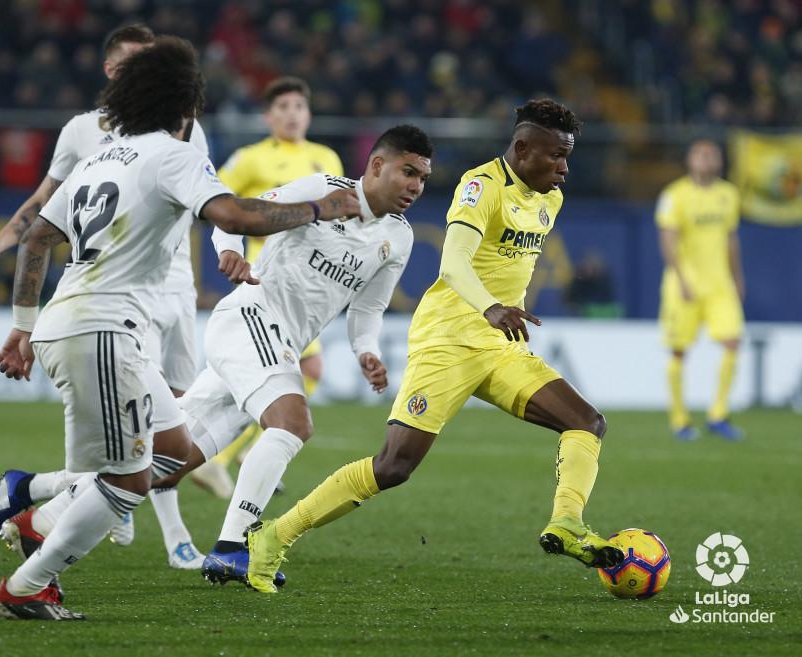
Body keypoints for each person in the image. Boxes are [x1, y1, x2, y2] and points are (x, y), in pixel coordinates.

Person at [0, 36, 359, 620]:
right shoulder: (174, 154)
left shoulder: (99, 157)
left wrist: (20, 327)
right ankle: (28, 584)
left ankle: (37, 512)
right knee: (127, 481)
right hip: (104, 330)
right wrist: (320, 209)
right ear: (186, 106)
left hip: (77, 323)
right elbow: (234, 214)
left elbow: (37, 237)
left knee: (176, 449)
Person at [244, 99, 626, 594]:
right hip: (446, 340)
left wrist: (496, 317)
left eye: (568, 156)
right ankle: (272, 536)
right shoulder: (481, 186)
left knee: (586, 421)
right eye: (556, 156)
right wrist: (490, 306)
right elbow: (453, 262)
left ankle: (567, 523)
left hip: (499, 346)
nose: (564, 168)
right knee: (393, 467)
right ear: (522, 147)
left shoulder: (549, 199)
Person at [146, 125, 432, 587]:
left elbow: (368, 308)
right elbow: (237, 212)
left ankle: (39, 497)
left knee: (162, 463)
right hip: (250, 317)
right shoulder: (323, 190)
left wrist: (366, 351)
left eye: (423, 177)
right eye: (409, 172)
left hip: (275, 345)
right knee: (293, 423)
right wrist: (230, 252)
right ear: (377, 165)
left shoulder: (398, 237)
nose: (417, 186)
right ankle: (231, 548)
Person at [0, 25, 205, 568]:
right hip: (104, 300)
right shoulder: (82, 134)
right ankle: (137, 536)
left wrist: (226, 247)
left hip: (168, 289)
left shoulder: (182, 132)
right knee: (136, 451)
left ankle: (35, 493)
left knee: (170, 441)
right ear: (110, 71)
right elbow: (45, 205)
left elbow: (206, 196)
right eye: (129, 66)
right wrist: (3, 241)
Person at [193, 76, 344, 498]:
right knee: (299, 371)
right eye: (283, 107)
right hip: (266, 277)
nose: (292, 114)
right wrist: (231, 245)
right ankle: (226, 457)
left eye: (299, 106)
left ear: (309, 114)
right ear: (268, 116)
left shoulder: (325, 156)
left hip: (307, 280)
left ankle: (233, 454)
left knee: (290, 372)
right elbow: (214, 196)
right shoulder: (251, 158)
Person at [656, 140, 744, 441]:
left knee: (733, 342)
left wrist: (737, 278)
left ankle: (718, 414)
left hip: (720, 285)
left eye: (712, 155)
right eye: (701, 155)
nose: (708, 160)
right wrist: (680, 279)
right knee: (679, 350)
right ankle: (680, 420)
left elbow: (731, 239)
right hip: (685, 285)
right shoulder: (674, 195)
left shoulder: (728, 195)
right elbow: (667, 239)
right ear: (690, 160)